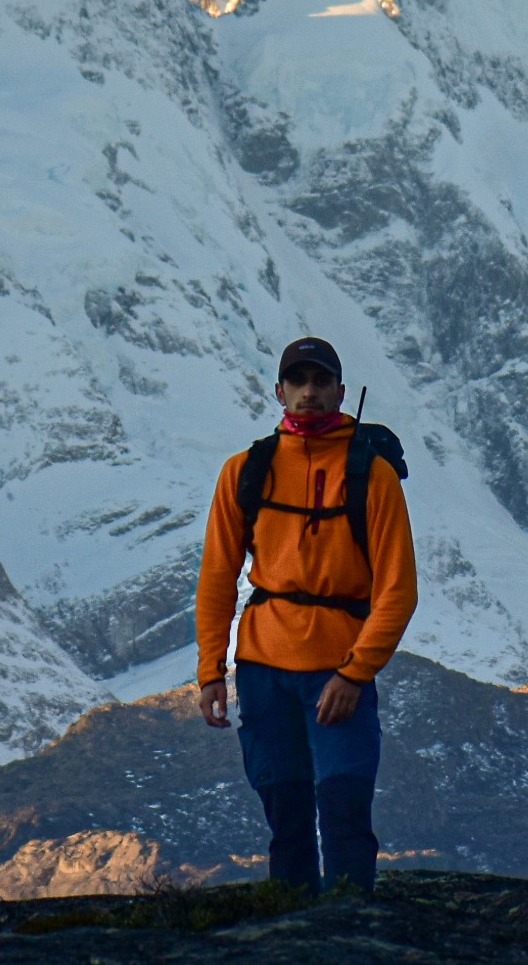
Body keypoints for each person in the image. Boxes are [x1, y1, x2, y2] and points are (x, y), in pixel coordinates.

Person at [195, 336, 416, 894]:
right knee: (286, 818)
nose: (310, 392)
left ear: (341, 392)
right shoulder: (245, 471)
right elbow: (218, 577)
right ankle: (293, 939)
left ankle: (347, 939)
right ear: (279, 392)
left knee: (344, 813)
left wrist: (355, 671)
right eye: (299, 381)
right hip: (264, 668)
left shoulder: (373, 475)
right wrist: (210, 672)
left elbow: (398, 590)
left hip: (338, 671)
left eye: (321, 382)